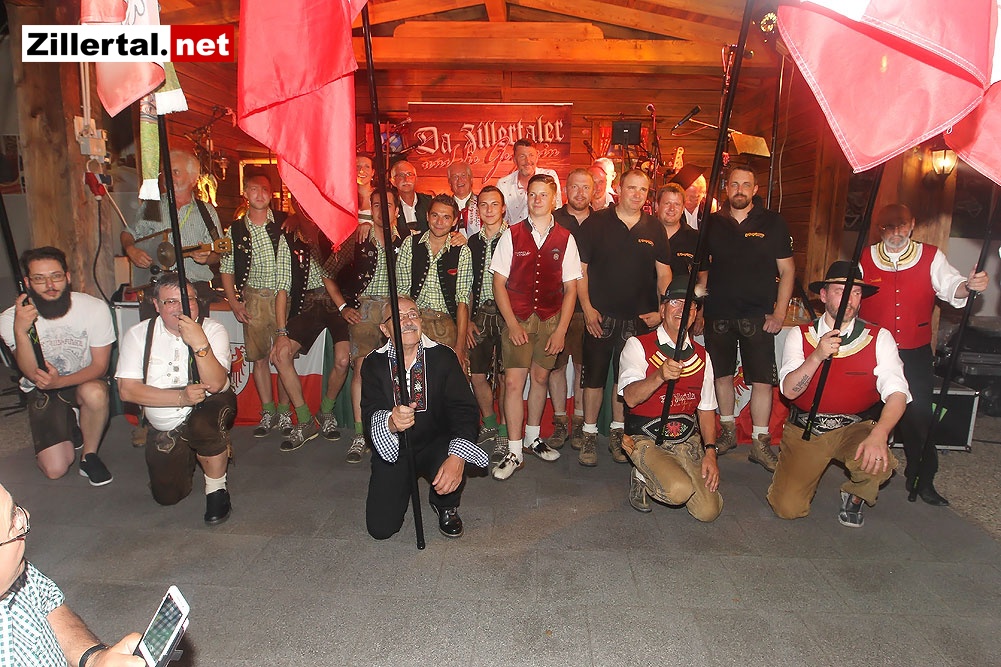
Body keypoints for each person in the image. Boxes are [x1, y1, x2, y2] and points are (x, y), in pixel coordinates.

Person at [860, 203, 990, 505]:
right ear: (879, 229)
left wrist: (969, 286)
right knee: (867, 412)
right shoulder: (865, 258)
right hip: (873, 350)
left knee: (919, 414)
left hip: (914, 351)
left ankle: (922, 478)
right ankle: (861, 476)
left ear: (912, 225)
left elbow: (952, 287)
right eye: (889, 228)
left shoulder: (930, 256)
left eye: (902, 226)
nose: (896, 233)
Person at [768, 261, 909, 528]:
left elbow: (898, 393)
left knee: (880, 461)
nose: (849, 299)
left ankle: (855, 496)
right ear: (823, 295)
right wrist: (817, 356)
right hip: (807, 427)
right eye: (840, 291)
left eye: (855, 292)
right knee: (787, 508)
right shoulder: (800, 335)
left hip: (855, 427)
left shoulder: (879, 337)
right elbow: (789, 391)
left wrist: (880, 434)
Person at [116, 273, 236, 525]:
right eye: (170, 301)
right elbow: (128, 391)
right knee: (167, 496)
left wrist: (200, 344)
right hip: (166, 420)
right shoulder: (138, 335)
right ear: (156, 305)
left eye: (187, 299)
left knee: (204, 423)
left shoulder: (212, 329)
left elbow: (216, 384)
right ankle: (185, 452)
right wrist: (180, 397)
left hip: (206, 405)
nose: (181, 307)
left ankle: (216, 489)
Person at [362, 296, 487, 539]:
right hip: (396, 449)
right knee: (381, 528)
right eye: (398, 317)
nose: (408, 321)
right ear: (385, 330)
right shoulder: (373, 364)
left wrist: (457, 458)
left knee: (452, 456)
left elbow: (465, 410)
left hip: (436, 443)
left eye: (413, 314)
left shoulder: (443, 357)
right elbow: (370, 413)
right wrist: (391, 422)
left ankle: (445, 504)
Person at [698, 163, 794, 472]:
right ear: (727, 188)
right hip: (718, 313)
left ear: (755, 189)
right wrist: (700, 309)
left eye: (746, 184)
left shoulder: (773, 222)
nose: (740, 190)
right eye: (734, 184)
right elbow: (702, 271)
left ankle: (760, 443)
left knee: (762, 381)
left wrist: (780, 312)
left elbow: (787, 270)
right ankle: (727, 432)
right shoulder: (711, 222)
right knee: (721, 376)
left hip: (758, 315)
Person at [576, 169, 672, 467]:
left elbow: (664, 274)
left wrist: (663, 311)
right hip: (599, 317)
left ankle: (619, 433)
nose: (637, 194)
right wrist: (587, 308)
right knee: (593, 378)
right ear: (618, 188)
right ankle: (589, 433)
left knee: (626, 379)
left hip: (639, 320)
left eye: (643, 190)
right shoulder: (596, 222)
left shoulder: (654, 227)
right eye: (631, 188)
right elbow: (580, 270)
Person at [490, 173, 582, 480]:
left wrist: (561, 330)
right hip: (517, 318)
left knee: (541, 378)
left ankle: (532, 437)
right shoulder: (511, 235)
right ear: (526, 198)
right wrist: (512, 323)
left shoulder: (566, 239)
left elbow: (571, 289)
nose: (537, 199)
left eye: (543, 194)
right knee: (514, 383)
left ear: (554, 199)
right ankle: (514, 450)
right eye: (532, 194)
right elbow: (498, 284)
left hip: (550, 319)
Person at [0, 247, 115, 486]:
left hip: (82, 380)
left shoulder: (94, 308)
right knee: (55, 469)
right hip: (41, 387)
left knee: (95, 392)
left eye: (56, 276)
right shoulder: (10, 318)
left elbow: (100, 366)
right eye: (39, 279)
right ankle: (70, 423)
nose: (49, 285)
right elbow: (29, 372)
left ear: (68, 277)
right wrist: (20, 330)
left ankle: (89, 456)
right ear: (27, 283)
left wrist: (60, 381)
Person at [0, 480, 144, 666]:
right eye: (12, 521)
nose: (25, 515)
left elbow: (46, 601)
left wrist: (94, 658)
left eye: (15, 509)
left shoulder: (16, 572)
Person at [618, 274, 722, 520]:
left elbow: (706, 409)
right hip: (647, 437)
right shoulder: (637, 345)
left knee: (709, 511)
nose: (683, 310)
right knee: (678, 491)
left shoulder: (702, 356)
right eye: (675, 302)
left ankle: (676, 468)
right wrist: (659, 376)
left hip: (686, 440)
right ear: (662, 310)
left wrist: (710, 452)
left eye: (690, 305)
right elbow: (630, 398)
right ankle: (641, 474)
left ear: (695, 313)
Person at [269, 204, 351, 453]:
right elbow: (282, 287)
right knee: (280, 354)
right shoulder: (290, 237)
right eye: (301, 205)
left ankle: (326, 411)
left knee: (343, 360)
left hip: (339, 303)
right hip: (308, 304)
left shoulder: (334, 233)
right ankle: (305, 419)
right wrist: (281, 332)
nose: (306, 210)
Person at [336, 188, 406, 464]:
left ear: (397, 210)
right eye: (376, 205)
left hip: (394, 310)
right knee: (361, 370)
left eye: (387, 205)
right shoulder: (359, 238)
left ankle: (395, 429)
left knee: (397, 370)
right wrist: (343, 307)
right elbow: (327, 270)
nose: (382, 210)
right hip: (363, 309)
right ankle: (359, 434)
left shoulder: (409, 240)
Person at [219, 173, 292, 438]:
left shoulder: (284, 222)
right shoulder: (236, 229)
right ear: (245, 193)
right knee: (259, 358)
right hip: (253, 297)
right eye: (253, 189)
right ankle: (268, 411)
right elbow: (226, 267)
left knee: (284, 357)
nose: (259, 194)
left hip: (283, 296)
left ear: (271, 194)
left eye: (264, 189)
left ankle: (284, 412)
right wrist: (234, 301)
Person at [121, 150, 222, 311]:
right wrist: (131, 249)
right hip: (156, 289)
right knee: (154, 329)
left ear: (193, 178)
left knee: (193, 329)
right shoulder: (152, 206)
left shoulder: (207, 212)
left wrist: (207, 257)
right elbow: (128, 233)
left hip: (194, 290)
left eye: (175, 172)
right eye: (165, 172)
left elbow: (218, 253)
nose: (168, 177)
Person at [395, 194, 473, 361]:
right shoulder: (410, 243)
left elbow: (462, 301)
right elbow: (402, 293)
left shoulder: (462, 251)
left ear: (454, 221)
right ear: (427, 216)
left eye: (446, 217)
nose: (439, 222)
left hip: (446, 322)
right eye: (435, 215)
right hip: (414, 320)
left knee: (451, 372)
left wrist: (460, 347)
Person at [464, 186, 510, 470]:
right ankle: (490, 423)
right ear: (478, 210)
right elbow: (467, 285)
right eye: (484, 205)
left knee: (505, 376)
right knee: (478, 374)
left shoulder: (515, 237)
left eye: (495, 204)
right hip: (480, 314)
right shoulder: (472, 242)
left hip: (507, 316)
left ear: (503, 208)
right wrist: (468, 319)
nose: (489, 210)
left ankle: (504, 432)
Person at [550, 168, 594, 449]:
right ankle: (559, 423)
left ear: (593, 191)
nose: (580, 193)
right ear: (565, 190)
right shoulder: (552, 219)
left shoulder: (602, 222)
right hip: (554, 307)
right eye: (575, 187)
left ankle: (578, 423)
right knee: (556, 367)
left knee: (582, 368)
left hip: (588, 308)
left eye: (585, 187)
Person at [497, 138, 562, 225]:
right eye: (522, 156)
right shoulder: (503, 184)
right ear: (514, 160)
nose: (527, 161)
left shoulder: (549, 176)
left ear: (537, 157)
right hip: (515, 232)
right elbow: (501, 219)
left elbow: (557, 208)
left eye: (531, 155)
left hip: (545, 231)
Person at [655, 183, 700, 278]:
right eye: (667, 203)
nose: (672, 209)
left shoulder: (695, 239)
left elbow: (703, 275)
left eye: (677, 204)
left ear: (683, 208)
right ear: (657, 206)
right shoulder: (645, 234)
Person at [390, 160, 433, 235]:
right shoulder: (390, 207)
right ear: (393, 181)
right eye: (401, 175)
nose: (406, 179)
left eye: (409, 174)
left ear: (416, 179)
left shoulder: (430, 202)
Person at [448, 160, 481, 238]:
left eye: (463, 175)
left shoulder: (482, 204)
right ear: (449, 182)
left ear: (471, 179)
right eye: (455, 177)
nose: (459, 180)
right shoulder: (444, 207)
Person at [669, 163, 707, 231]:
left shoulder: (709, 208)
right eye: (685, 196)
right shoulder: (675, 208)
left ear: (703, 194)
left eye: (693, 197)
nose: (688, 200)